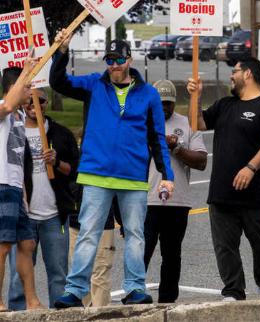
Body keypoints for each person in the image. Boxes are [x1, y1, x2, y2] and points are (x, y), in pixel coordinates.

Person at [50, 34, 175, 309]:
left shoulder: (149, 94)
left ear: (129, 59)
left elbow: (157, 138)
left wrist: (167, 176)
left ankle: (134, 289)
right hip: (95, 174)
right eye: (110, 60)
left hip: (133, 178)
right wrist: (62, 51)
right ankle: (74, 290)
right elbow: (58, 82)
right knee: (88, 233)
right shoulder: (94, 84)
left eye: (119, 59)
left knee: (135, 234)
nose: (114, 65)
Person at [188, 57, 260, 301]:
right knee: (225, 247)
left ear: (249, 74)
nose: (231, 76)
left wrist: (251, 167)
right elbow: (197, 124)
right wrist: (196, 96)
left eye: (235, 71)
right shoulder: (224, 105)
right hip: (222, 193)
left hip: (255, 194)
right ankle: (233, 291)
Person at [7, 88, 79, 310]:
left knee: (59, 274)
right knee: (19, 277)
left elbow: (74, 172)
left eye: (39, 100)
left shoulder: (61, 134)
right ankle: (18, 314)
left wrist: (56, 162)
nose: (33, 105)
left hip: (54, 216)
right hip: (23, 217)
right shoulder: (11, 132)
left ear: (46, 102)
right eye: (28, 100)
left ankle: (59, 314)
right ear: (21, 103)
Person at [143, 80, 207, 303]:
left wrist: (176, 148)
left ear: (174, 102)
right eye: (160, 103)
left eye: (168, 103)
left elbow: (201, 162)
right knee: (140, 253)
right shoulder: (141, 123)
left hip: (177, 202)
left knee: (171, 256)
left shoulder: (187, 124)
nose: (164, 108)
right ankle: (135, 295)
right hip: (146, 200)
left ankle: (167, 302)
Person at [0, 62, 44, 311]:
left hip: (15, 189)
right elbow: (7, 104)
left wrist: (24, 196)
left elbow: (18, 161)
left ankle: (31, 300)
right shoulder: (3, 110)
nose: (31, 93)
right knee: (3, 245)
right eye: (28, 87)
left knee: (27, 243)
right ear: (14, 87)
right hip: (1, 185)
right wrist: (25, 71)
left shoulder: (18, 118)